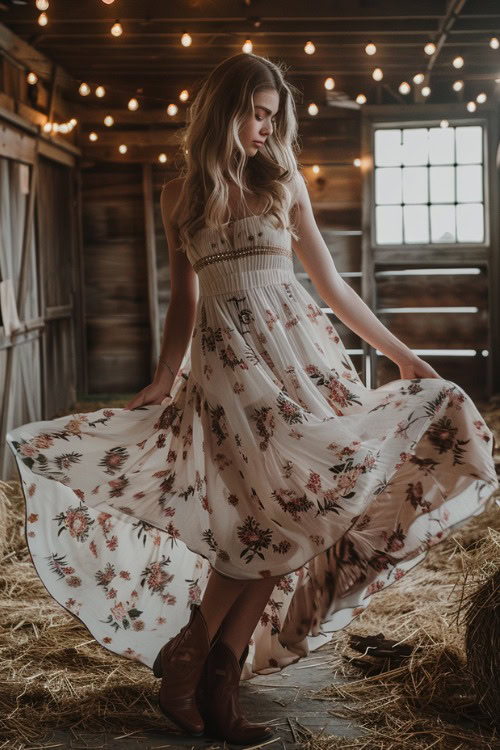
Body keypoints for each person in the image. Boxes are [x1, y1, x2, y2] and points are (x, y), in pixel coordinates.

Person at [6, 52, 498, 747]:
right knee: (257, 527)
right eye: (256, 113)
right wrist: (162, 376)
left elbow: (331, 287)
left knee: (296, 515)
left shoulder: (283, 183)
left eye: (274, 116)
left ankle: (204, 675)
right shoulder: (178, 194)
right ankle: (202, 678)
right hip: (229, 375)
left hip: (299, 365)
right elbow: (183, 302)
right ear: (224, 110)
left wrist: (399, 353)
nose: (266, 127)